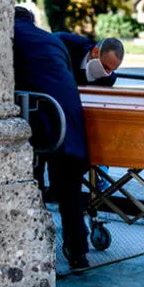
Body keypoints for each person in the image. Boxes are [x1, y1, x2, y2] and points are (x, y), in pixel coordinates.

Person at [13, 6, 91, 271]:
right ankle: (79, 253)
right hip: (70, 122)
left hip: (40, 122)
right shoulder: (50, 39)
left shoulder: (11, 37)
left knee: (32, 186)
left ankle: (32, 248)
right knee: (70, 192)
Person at [53, 31, 125, 193]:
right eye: (106, 67)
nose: (107, 73)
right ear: (94, 52)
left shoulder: (108, 78)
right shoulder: (66, 43)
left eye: (111, 70)